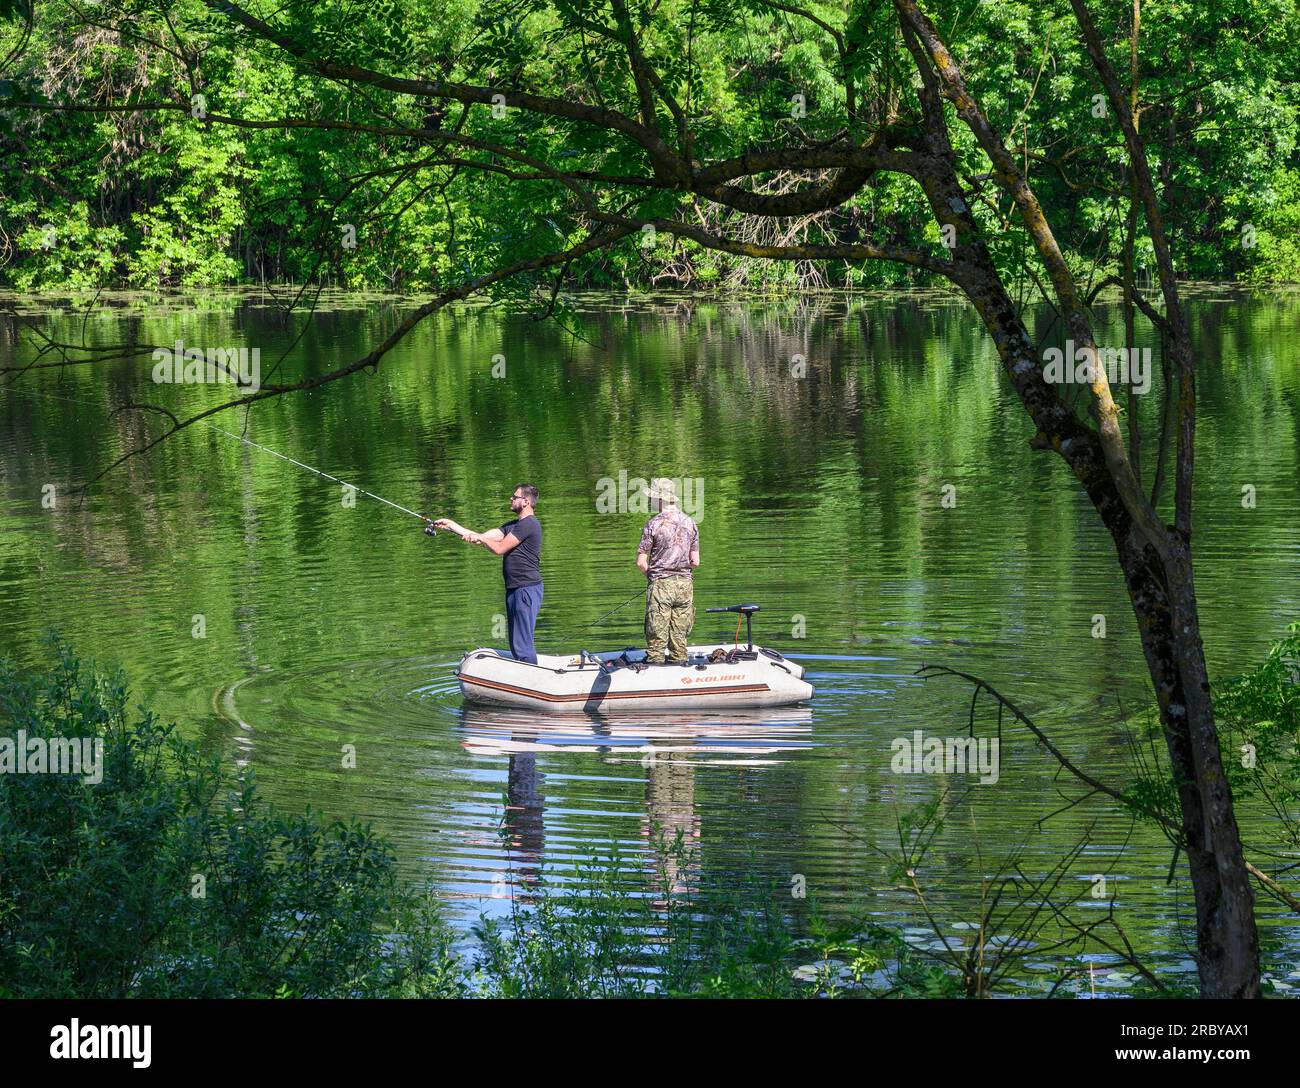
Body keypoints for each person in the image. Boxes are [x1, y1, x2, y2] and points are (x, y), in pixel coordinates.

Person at [433, 484, 544, 664]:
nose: (511, 499)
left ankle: (532, 679)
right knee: (516, 643)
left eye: (514, 497)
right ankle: (524, 676)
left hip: (526, 590)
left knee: (522, 644)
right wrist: (451, 526)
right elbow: (481, 537)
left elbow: (499, 548)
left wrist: (482, 538)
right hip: (515, 589)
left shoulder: (529, 524)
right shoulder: (513, 526)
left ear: (525, 502)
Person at [636, 478, 700, 666]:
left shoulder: (653, 524)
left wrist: (653, 577)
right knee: (679, 638)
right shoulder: (691, 523)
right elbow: (695, 562)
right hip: (685, 586)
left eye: (653, 498)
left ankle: (655, 669)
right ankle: (680, 666)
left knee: (656, 639)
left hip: (661, 585)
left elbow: (641, 563)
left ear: (659, 499)